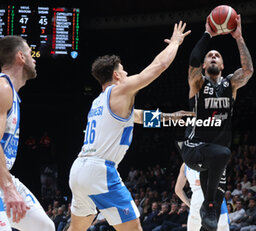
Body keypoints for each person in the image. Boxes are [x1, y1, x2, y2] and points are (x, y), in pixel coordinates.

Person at [67, 21, 190, 231]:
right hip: (100, 171)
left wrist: (170, 117)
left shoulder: (98, 102)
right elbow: (157, 67)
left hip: (78, 170)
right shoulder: (119, 91)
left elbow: (138, 117)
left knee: (76, 229)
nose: (126, 74)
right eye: (123, 71)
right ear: (116, 75)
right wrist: (176, 43)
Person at [180, 13, 253, 231]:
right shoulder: (198, 83)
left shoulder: (230, 84)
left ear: (222, 65)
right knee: (223, 154)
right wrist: (207, 34)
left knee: (210, 226)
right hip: (194, 149)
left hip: (215, 160)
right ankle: (208, 205)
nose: (212, 56)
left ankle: (209, 208)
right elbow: (193, 60)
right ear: (204, 65)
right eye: (209, 55)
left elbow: (248, 71)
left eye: (217, 55)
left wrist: (238, 38)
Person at [0, 35, 55, 231]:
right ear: (21, 57)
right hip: (2, 181)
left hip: (3, 176)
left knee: (44, 227)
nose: (35, 58)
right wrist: (9, 189)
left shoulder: (11, 93)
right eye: (31, 53)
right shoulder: (2, 88)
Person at [175, 163, 229, 231]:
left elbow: (178, 190)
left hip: (196, 201)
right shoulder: (213, 157)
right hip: (215, 198)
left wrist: (190, 205)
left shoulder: (185, 165)